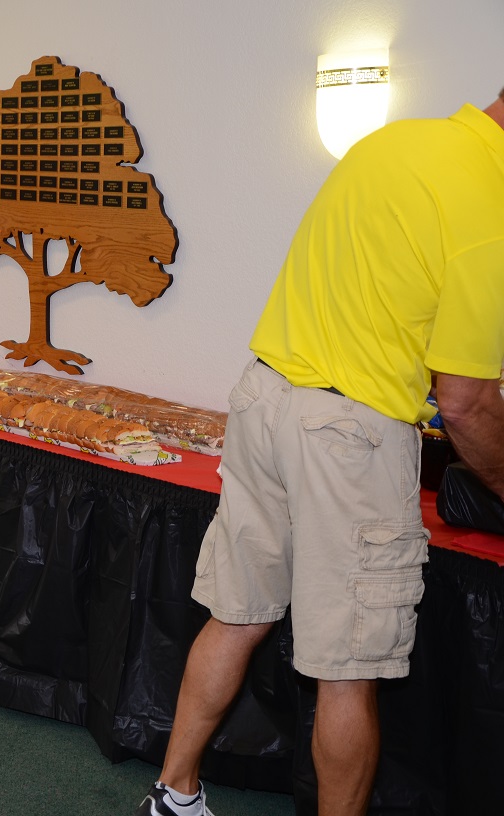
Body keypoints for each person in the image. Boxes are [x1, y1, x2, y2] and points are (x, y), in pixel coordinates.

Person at [134, 92, 504, 816]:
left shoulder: (393, 143)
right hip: (351, 434)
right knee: (348, 668)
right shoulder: (488, 207)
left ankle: (173, 795)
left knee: (237, 615)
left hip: (264, 397)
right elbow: (465, 401)